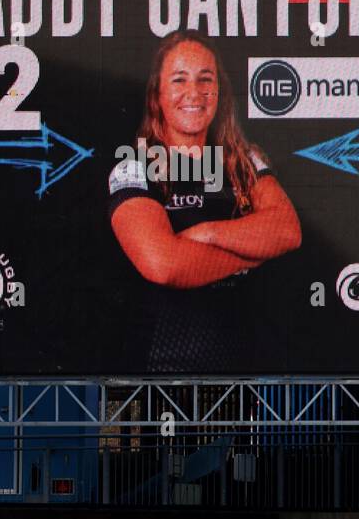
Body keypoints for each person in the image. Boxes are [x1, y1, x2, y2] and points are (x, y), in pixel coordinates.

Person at [108, 30, 301, 371]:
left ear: (220, 91)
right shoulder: (134, 166)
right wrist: (249, 256)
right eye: (179, 80)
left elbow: (286, 231)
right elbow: (164, 265)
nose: (194, 93)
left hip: (240, 375)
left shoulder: (244, 160)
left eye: (205, 79)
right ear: (157, 94)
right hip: (159, 376)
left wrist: (207, 232)